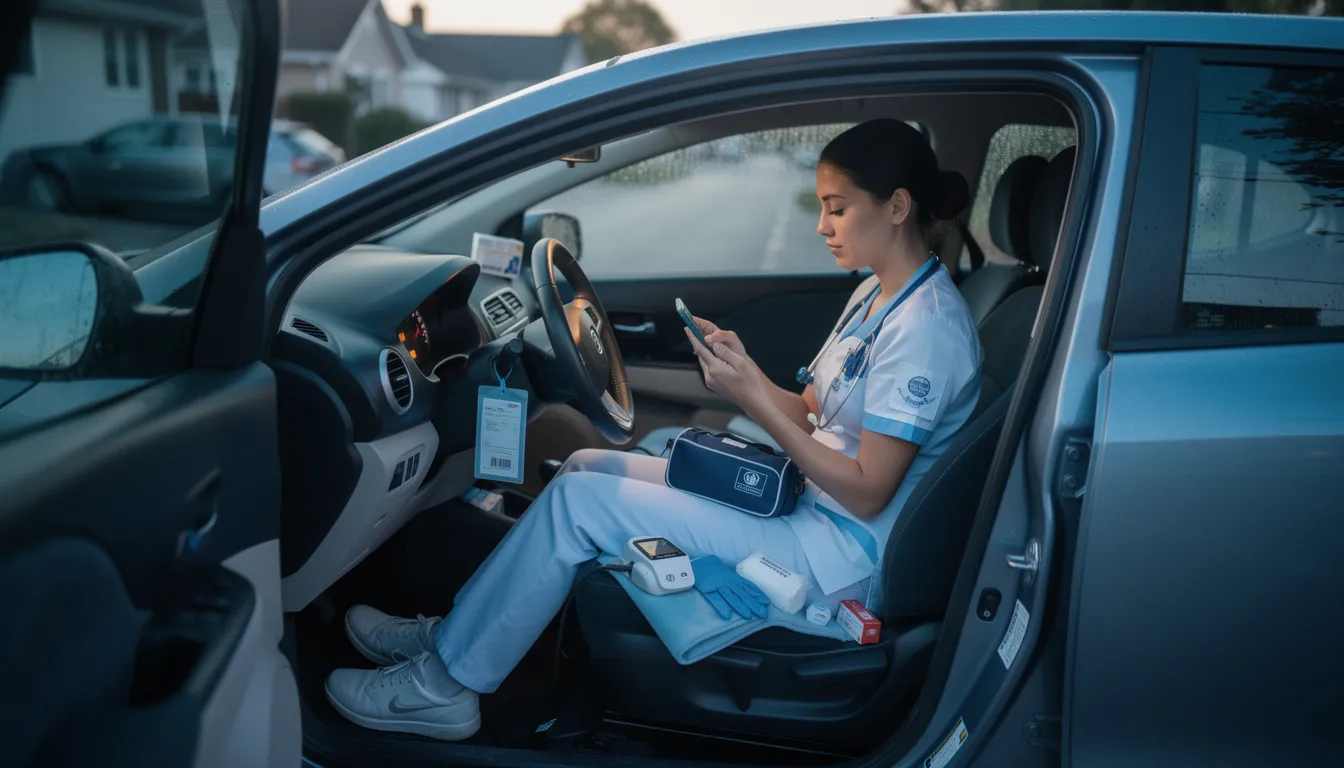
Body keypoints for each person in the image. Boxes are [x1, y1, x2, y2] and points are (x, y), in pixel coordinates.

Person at [323, 119, 985, 741]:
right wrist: (746, 372)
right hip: (808, 507)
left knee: (583, 503)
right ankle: (453, 637)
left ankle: (445, 686)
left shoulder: (927, 329)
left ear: (897, 207)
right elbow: (815, 412)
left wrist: (751, 396)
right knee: (587, 468)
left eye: (837, 208)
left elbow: (870, 490)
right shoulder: (875, 293)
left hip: (835, 557)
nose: (821, 225)